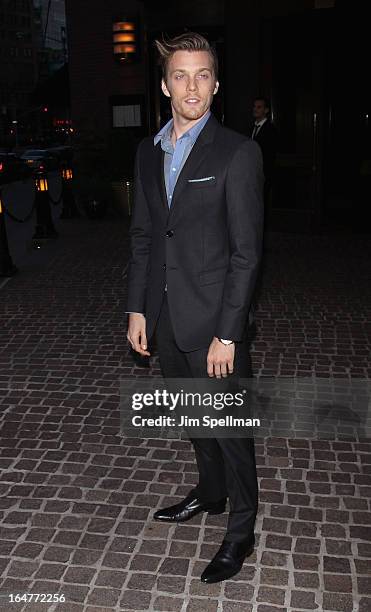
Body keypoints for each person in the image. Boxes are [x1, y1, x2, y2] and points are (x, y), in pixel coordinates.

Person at [126, 32, 264, 583]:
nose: (192, 86)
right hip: (165, 317)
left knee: (232, 431)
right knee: (192, 419)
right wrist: (137, 309)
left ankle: (241, 531)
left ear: (215, 83)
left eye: (202, 75)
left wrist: (228, 334)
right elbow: (143, 236)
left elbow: (247, 253)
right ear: (164, 85)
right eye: (180, 75)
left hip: (214, 326)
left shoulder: (238, 152)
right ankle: (208, 494)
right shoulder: (147, 151)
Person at [251, 97, 277, 207]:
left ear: (266, 110)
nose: (255, 109)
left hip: (263, 174)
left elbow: (269, 155)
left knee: (261, 205)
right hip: (252, 174)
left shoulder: (270, 130)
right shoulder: (252, 127)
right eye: (254, 106)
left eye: (259, 107)